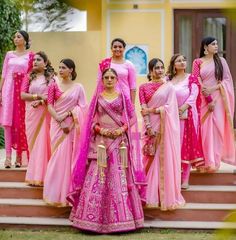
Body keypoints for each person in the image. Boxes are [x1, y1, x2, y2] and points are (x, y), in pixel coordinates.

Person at [67, 65, 146, 233]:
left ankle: (124, 220)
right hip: (101, 143)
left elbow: (132, 118)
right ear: (102, 80)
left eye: (112, 77)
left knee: (119, 178)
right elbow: (90, 121)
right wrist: (100, 130)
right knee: (98, 176)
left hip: (119, 143)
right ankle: (91, 221)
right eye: (106, 77)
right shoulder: (97, 98)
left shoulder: (123, 97)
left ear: (117, 80)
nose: (109, 80)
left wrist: (121, 130)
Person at [139, 58, 185, 210]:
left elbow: (171, 108)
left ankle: (162, 197)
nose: (159, 70)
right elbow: (143, 108)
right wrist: (148, 126)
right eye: (156, 68)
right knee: (148, 158)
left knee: (162, 160)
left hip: (164, 128)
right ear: (150, 70)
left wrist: (154, 111)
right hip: (150, 128)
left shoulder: (169, 87)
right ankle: (146, 196)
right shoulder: (143, 87)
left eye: (161, 67)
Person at [43, 59, 87, 207]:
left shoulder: (78, 87)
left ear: (71, 70)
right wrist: (59, 121)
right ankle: (55, 194)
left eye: (64, 68)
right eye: (59, 67)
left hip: (73, 125)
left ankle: (69, 193)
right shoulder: (53, 86)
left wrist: (68, 115)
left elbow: (82, 108)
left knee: (70, 159)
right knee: (57, 158)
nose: (60, 70)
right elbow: (49, 105)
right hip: (57, 126)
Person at [192, 36, 235, 172]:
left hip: (219, 99)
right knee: (203, 129)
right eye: (213, 44)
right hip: (203, 99)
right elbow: (195, 79)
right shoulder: (198, 62)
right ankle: (204, 161)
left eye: (217, 44)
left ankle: (214, 162)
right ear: (205, 47)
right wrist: (206, 93)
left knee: (217, 129)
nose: (216, 46)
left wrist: (213, 90)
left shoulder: (221, 61)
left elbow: (227, 80)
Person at [167, 54, 204, 189]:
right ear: (173, 64)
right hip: (170, 118)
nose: (182, 62)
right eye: (179, 61)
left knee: (185, 147)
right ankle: (173, 177)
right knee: (172, 147)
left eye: (184, 60)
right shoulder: (168, 79)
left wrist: (181, 109)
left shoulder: (191, 78)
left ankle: (185, 179)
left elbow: (193, 96)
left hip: (185, 117)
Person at [0, 30, 34, 168]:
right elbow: (4, 74)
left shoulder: (31, 56)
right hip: (8, 90)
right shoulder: (9, 55)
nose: (15, 39)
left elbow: (31, 75)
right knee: (7, 123)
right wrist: (0, 91)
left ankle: (20, 156)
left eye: (18, 36)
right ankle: (8, 157)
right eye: (14, 37)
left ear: (25, 40)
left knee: (21, 123)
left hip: (22, 91)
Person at [21, 51, 54, 186]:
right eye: (34, 60)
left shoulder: (51, 78)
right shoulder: (29, 77)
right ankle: (34, 175)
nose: (35, 62)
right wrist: (38, 97)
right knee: (33, 143)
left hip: (45, 113)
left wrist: (42, 101)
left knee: (45, 142)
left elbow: (52, 96)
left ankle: (45, 175)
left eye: (39, 60)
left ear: (45, 63)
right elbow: (23, 95)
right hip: (31, 114)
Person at [98, 38, 136, 104]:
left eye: (120, 47)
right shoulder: (105, 63)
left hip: (125, 98)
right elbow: (99, 82)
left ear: (124, 49)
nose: (117, 49)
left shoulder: (129, 65)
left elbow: (133, 86)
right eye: (115, 47)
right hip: (107, 98)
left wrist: (132, 104)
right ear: (111, 48)